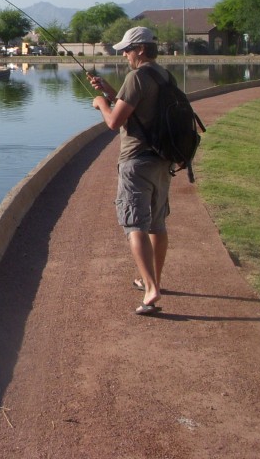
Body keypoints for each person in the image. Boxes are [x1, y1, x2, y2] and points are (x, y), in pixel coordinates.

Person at [89, 26, 173, 316]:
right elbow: (138, 109)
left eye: (127, 49)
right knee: (157, 224)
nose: (124, 54)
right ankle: (152, 279)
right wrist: (109, 91)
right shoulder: (162, 75)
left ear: (140, 49)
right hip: (162, 161)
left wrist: (101, 103)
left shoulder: (136, 77)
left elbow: (114, 122)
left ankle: (151, 288)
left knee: (134, 224)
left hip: (136, 161)